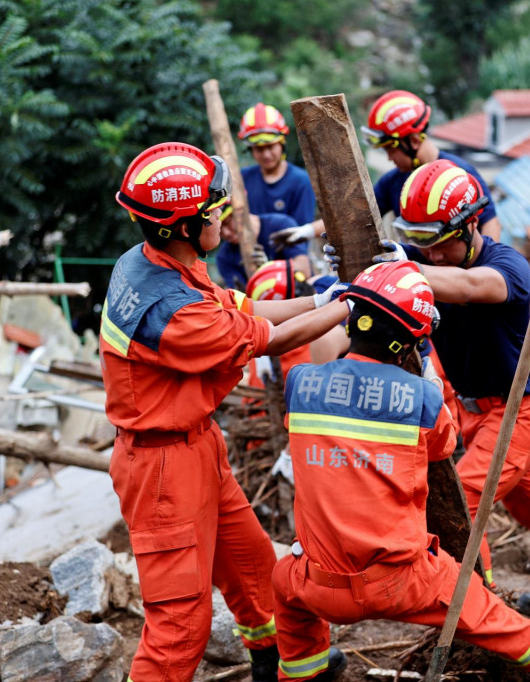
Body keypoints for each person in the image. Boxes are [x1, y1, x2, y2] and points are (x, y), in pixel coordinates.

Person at [272, 260, 530, 682]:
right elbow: (444, 447)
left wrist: (348, 298)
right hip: (402, 582)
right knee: (489, 614)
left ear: (352, 319)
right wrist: (429, 372)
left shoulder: (300, 383)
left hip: (316, 581)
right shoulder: (421, 401)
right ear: (410, 342)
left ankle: (304, 673)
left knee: (284, 586)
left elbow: (323, 369)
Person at [100, 142, 350, 682]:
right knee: (179, 628)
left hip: (193, 445)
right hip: (163, 469)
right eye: (213, 209)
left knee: (257, 571)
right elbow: (268, 338)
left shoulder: (155, 264)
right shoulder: (174, 311)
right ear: (183, 225)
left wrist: (323, 296)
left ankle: (282, 663)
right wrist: (352, 307)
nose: (224, 215)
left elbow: (244, 308)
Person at [327, 160, 530, 618]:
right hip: (476, 412)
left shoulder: (504, 263)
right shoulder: (423, 263)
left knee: (463, 502)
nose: (431, 256)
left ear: (470, 224)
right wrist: (362, 272)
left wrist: (405, 270)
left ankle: (480, 610)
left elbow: (475, 287)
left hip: (522, 409)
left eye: (439, 244)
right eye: (421, 245)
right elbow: (399, 290)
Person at [268, 90, 502, 250]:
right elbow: (356, 215)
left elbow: (490, 223)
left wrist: (479, 270)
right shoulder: (393, 181)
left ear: (413, 140)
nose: (389, 158)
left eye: (391, 149)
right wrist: (306, 231)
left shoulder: (460, 174)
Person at [239, 103, 317, 226]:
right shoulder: (242, 178)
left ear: (282, 143)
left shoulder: (301, 182)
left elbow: (301, 235)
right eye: (259, 149)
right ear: (251, 150)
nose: (266, 155)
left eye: (270, 147)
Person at [215, 200, 311, 291]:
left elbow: (304, 271)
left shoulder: (280, 225)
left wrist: (269, 270)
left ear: (240, 212)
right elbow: (241, 299)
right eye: (219, 227)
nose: (225, 233)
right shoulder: (224, 257)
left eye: (227, 222)